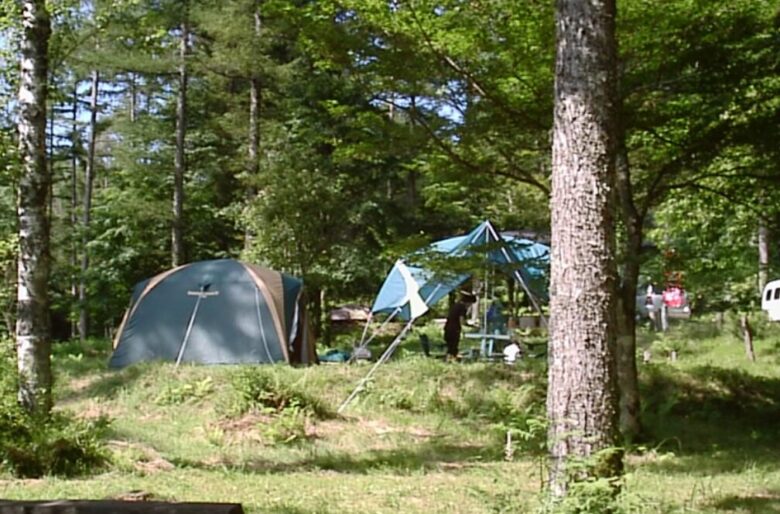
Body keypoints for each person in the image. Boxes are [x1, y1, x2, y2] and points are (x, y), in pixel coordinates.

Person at [443, 292, 475, 360]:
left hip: (447, 328)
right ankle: (450, 359)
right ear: (468, 302)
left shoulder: (456, 305)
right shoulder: (462, 308)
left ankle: (450, 358)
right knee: (453, 346)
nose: (470, 306)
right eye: (470, 304)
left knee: (450, 346)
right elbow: (462, 321)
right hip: (454, 329)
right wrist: (470, 325)